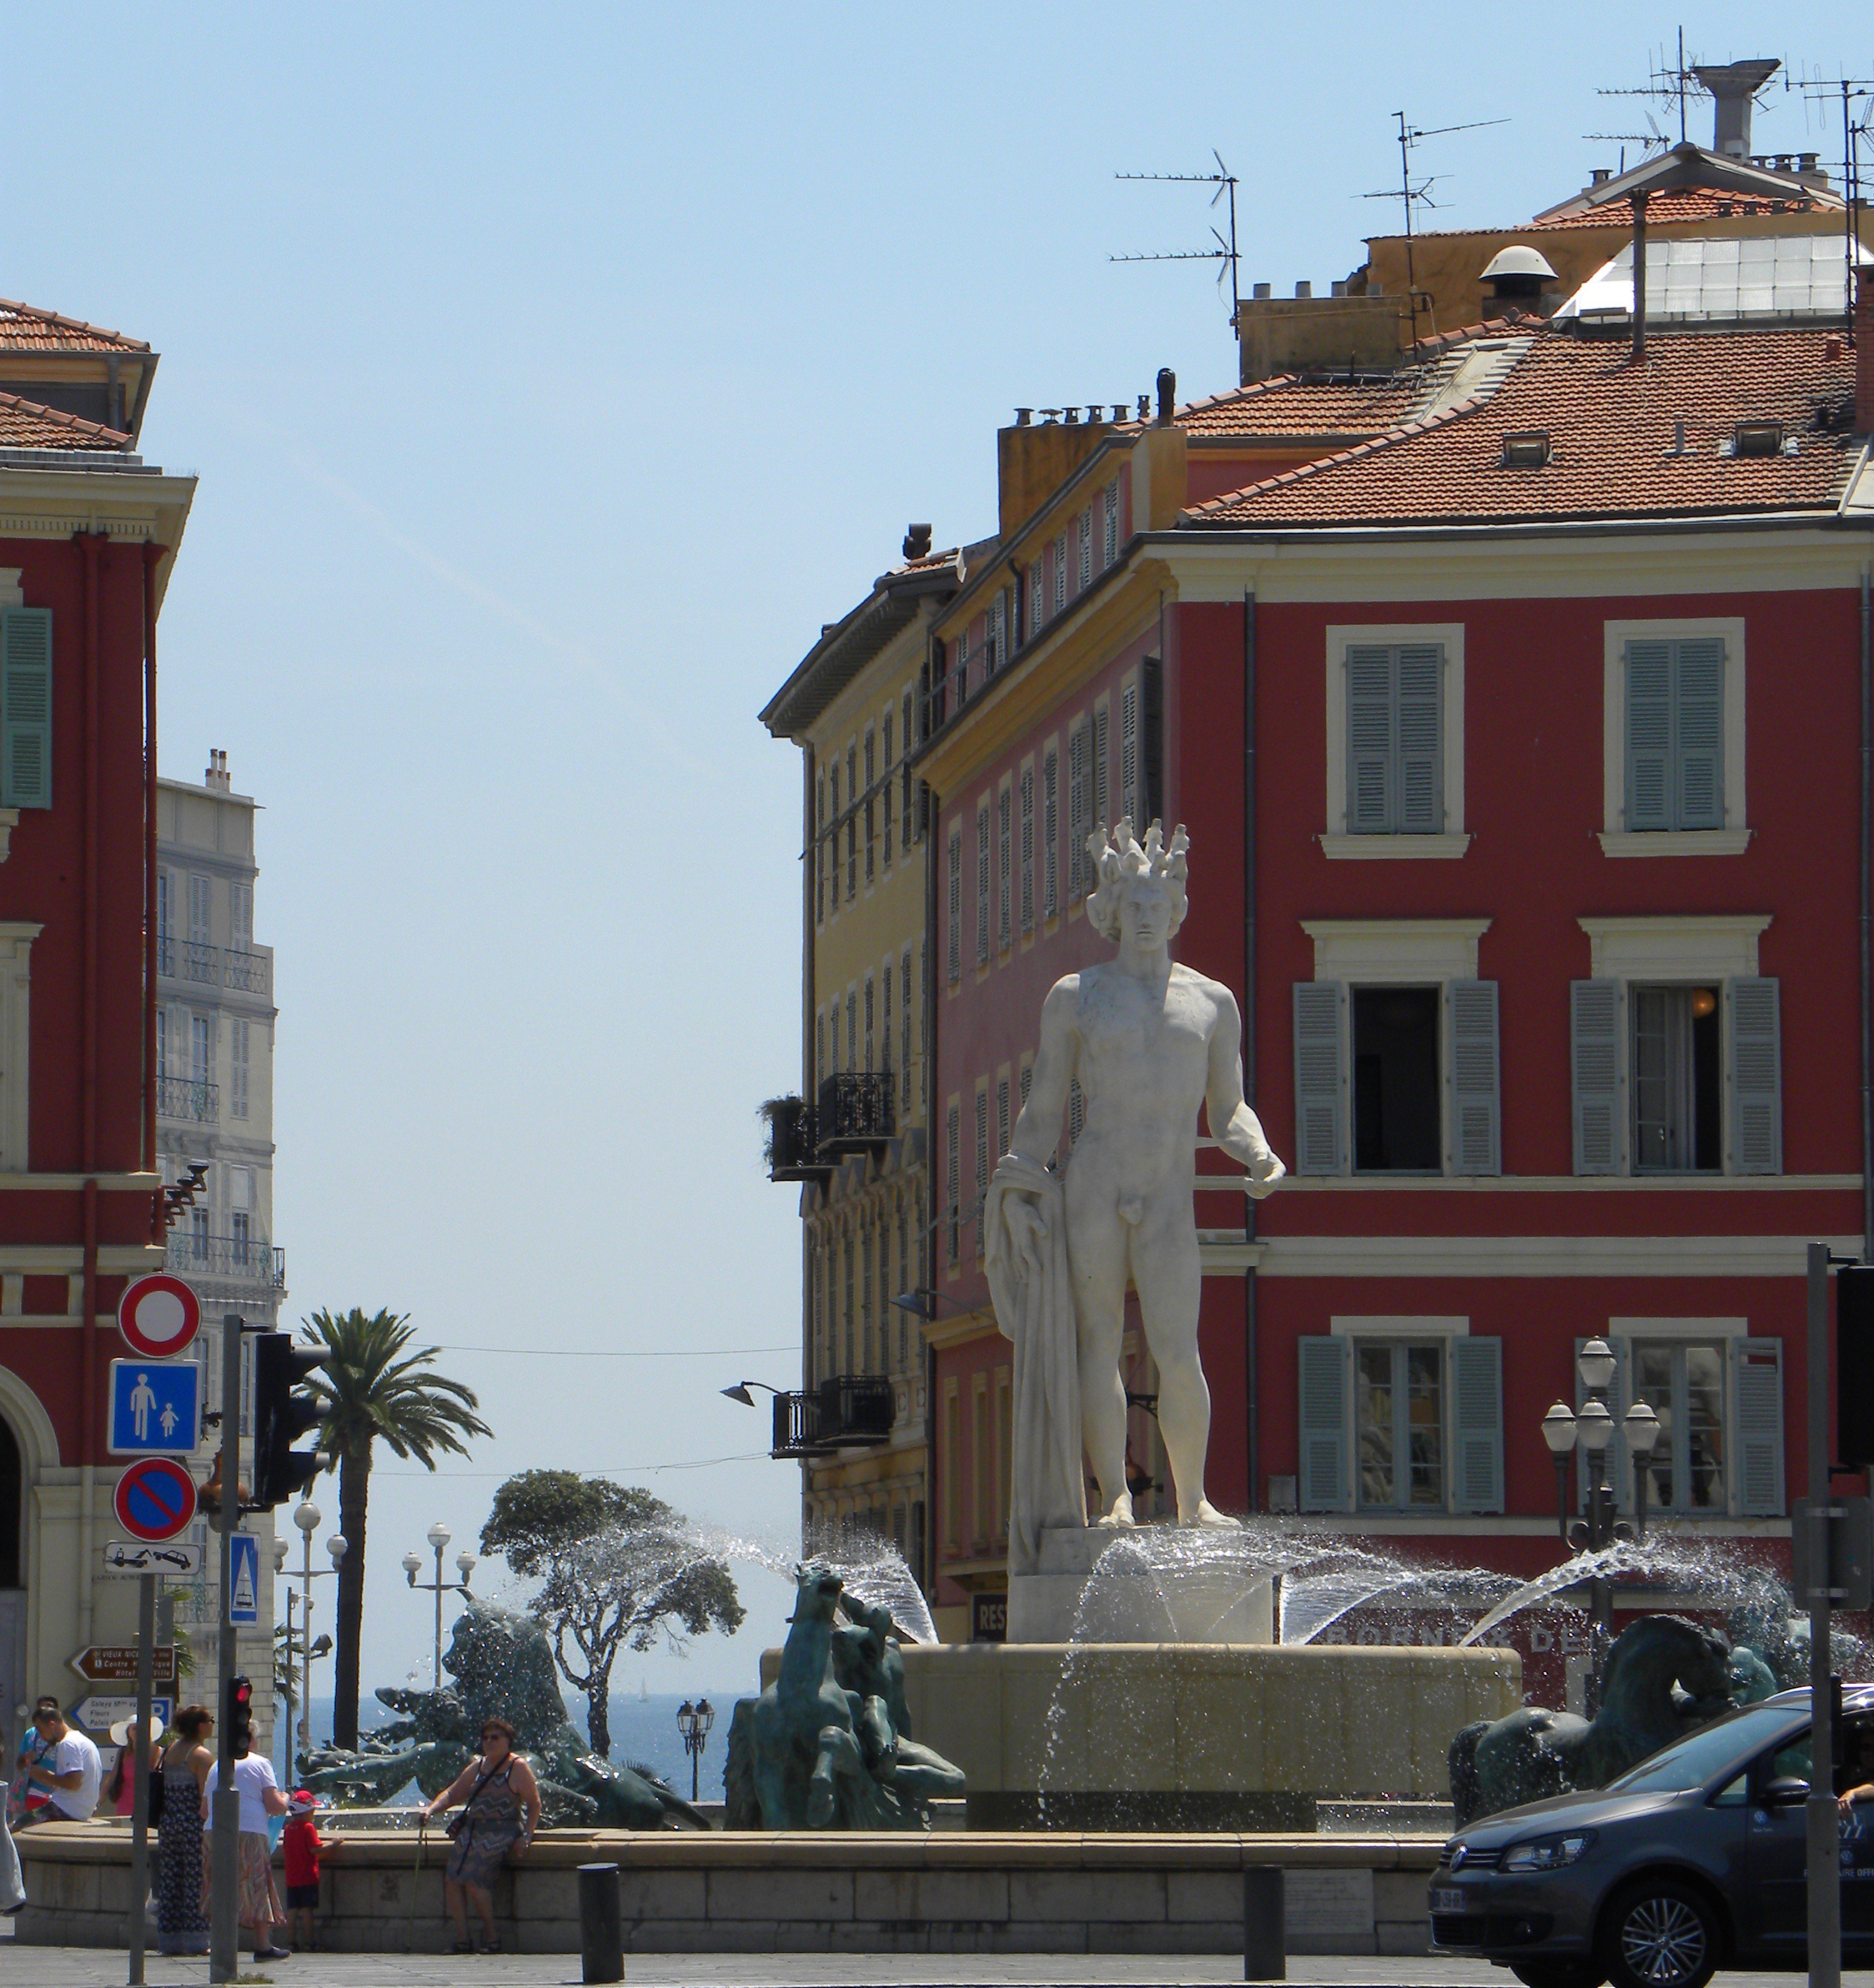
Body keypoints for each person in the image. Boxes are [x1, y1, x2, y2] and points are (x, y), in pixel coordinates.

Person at [986, 820, 1285, 1561]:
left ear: (1177, 910)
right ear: (1113, 911)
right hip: (1095, 1185)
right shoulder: (1077, 997)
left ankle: (1194, 1499)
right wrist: (1019, 1184)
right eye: (1134, 904)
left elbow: (1228, 1108)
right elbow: (1044, 1109)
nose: (1148, 916)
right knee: (1099, 1343)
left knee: (1179, 1349)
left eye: (1159, 903)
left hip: (1167, 1196)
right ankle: (1114, 1496)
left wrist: (1258, 1151)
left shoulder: (1213, 1003)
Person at [420, 1717, 542, 1955]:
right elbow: (453, 1794)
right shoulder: (478, 1766)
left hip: (502, 1831)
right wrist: (431, 1810)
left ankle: (492, 1936)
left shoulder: (517, 1767)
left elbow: (534, 1803)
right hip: (473, 1830)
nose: (489, 1742)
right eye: (485, 1738)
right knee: (452, 1880)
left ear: (508, 1740)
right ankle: (463, 1940)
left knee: (475, 1882)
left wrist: (527, 1835)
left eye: (495, 1737)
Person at [201, 1724, 291, 1959]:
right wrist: (286, 1799)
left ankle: (218, 1944)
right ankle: (262, 1945)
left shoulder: (217, 1766)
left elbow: (204, 1810)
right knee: (256, 1885)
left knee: (218, 1886)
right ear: (250, 1739)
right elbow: (274, 1806)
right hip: (250, 1831)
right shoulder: (261, 1763)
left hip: (214, 1831)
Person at [156, 1706, 214, 1956]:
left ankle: (169, 1939)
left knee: (170, 1881)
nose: (213, 1724)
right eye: (210, 1720)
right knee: (196, 1882)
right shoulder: (201, 1756)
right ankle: (196, 1940)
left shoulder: (170, 1751)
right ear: (200, 1726)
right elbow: (205, 1798)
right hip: (192, 1826)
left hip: (169, 1824)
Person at [16, 1698, 102, 1824]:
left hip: (67, 1809)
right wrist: (49, 1781)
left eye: (41, 1731)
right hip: (81, 1809)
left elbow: (74, 1784)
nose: (42, 1737)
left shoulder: (68, 1743)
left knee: (17, 1827)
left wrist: (44, 1774)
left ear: (52, 1725)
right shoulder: (82, 1740)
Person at [280, 1789, 336, 1952]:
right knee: (307, 1911)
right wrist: (334, 1844)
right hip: (308, 1877)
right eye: (313, 1811)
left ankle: (291, 1943)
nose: (313, 1815)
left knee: (292, 1911)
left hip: (292, 1877)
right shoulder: (308, 1828)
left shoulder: (289, 1829)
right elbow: (315, 1849)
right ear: (307, 1812)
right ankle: (309, 1943)